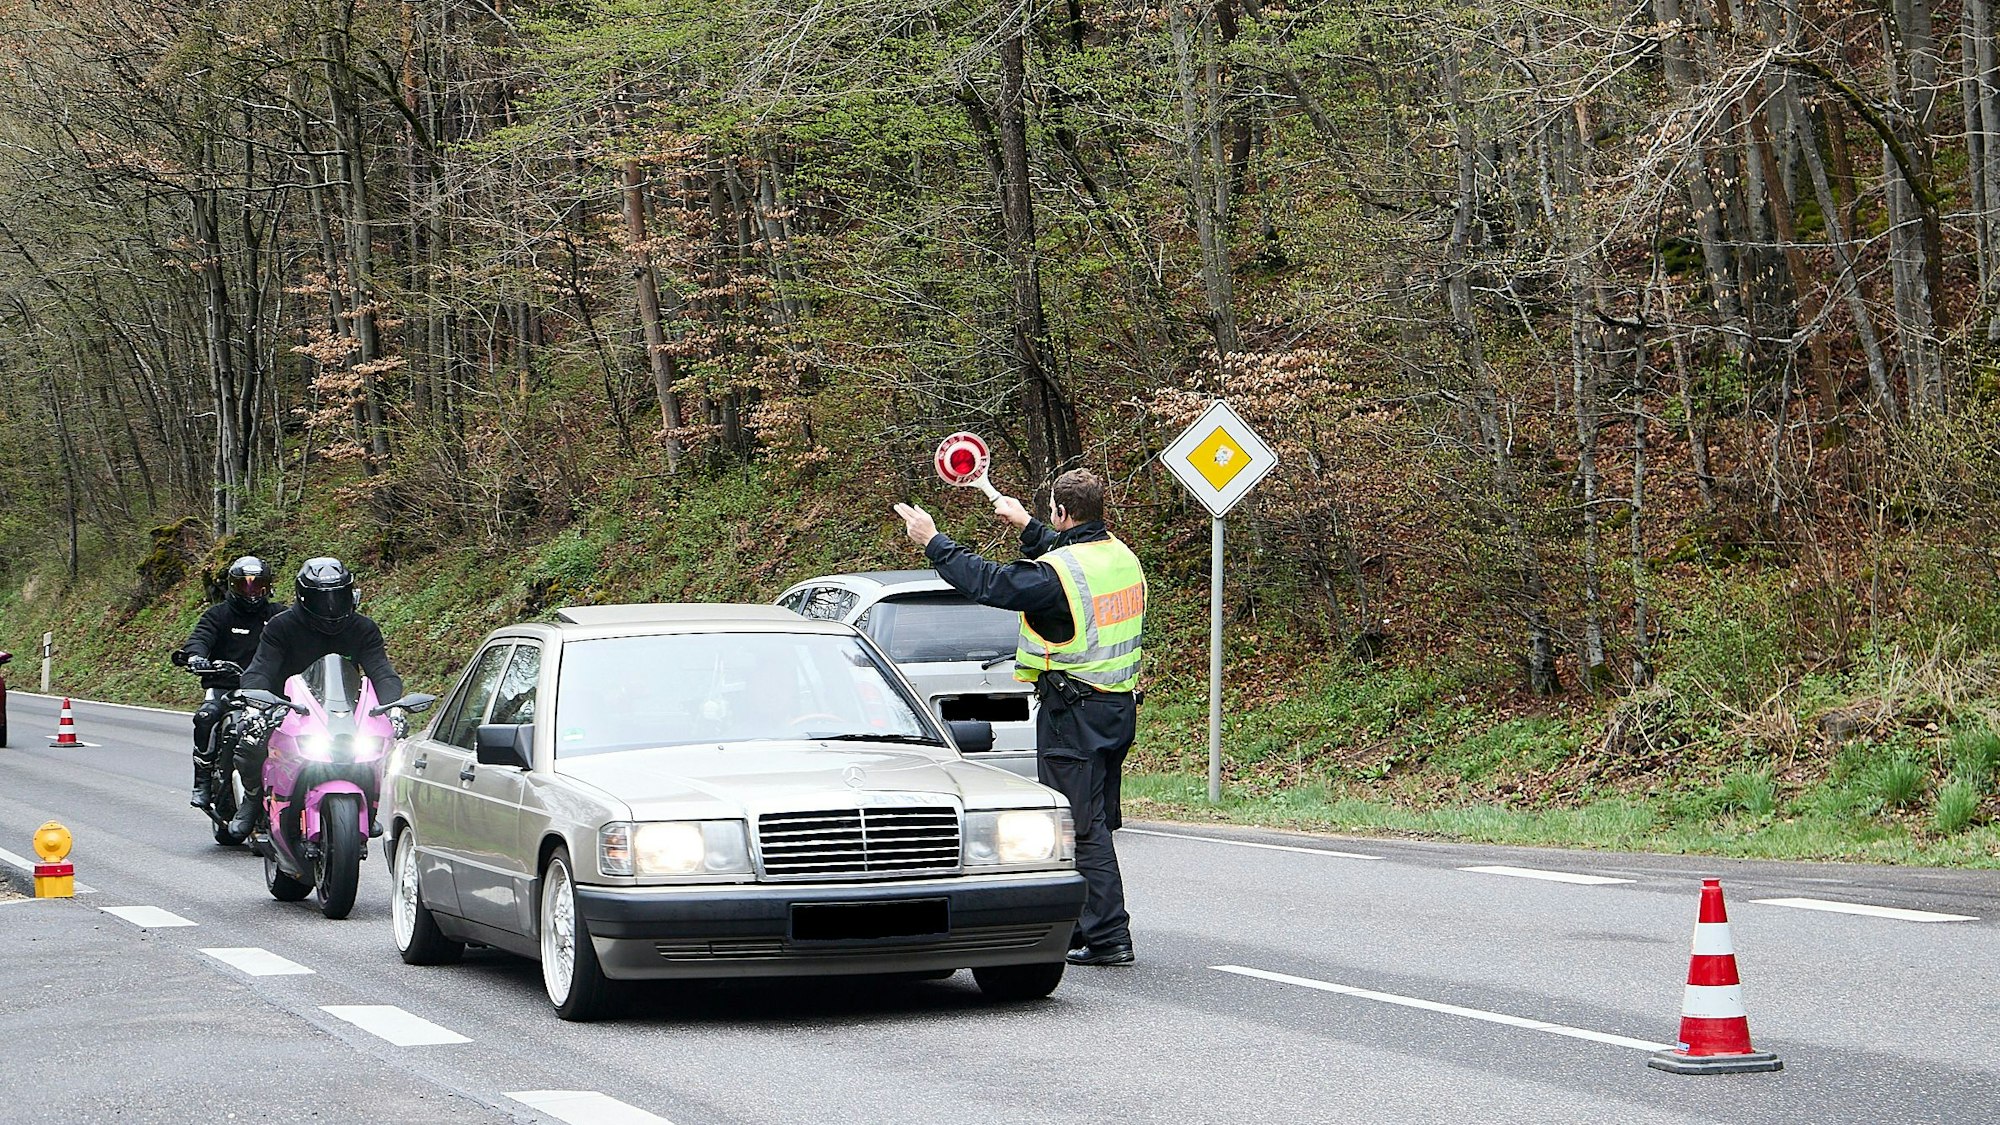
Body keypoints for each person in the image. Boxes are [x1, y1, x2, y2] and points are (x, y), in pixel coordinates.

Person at [895, 468, 1145, 967]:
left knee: (1081, 826)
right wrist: (1027, 525)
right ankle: (1085, 925)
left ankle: (1108, 936)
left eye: (1051, 513)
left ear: (1063, 512)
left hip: (1074, 713)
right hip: (1116, 707)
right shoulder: (1119, 555)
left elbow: (991, 583)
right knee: (1095, 820)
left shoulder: (1056, 576)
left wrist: (933, 541)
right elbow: (1067, 563)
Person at [229, 557, 408, 838]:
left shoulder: (363, 628)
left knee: (375, 746)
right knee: (250, 741)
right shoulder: (281, 626)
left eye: (338, 596)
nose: (331, 606)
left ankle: (368, 803)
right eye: (321, 599)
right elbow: (260, 669)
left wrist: (393, 708)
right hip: (287, 708)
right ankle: (252, 801)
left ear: (351, 594)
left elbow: (382, 673)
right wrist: (256, 704)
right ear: (303, 597)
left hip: (345, 710)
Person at [180, 556, 283, 808]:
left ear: (268, 586)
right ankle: (202, 781)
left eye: (257, 585)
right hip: (225, 686)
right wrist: (196, 657)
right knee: (205, 717)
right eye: (244, 585)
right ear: (232, 586)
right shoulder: (218, 615)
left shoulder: (279, 615)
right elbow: (200, 638)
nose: (251, 591)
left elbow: (301, 635)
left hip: (268, 691)